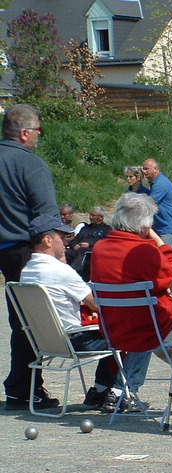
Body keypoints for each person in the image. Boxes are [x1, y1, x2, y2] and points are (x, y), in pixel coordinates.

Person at [90, 192, 172, 412]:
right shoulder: (146, 251)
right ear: (144, 227)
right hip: (153, 330)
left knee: (142, 317)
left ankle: (122, 391)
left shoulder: (99, 249)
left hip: (115, 332)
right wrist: (160, 242)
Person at [20, 214, 120, 408]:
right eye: (61, 236)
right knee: (130, 333)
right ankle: (111, 392)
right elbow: (99, 304)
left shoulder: (26, 272)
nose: (67, 240)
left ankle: (100, 392)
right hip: (73, 341)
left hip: (44, 342)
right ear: (48, 240)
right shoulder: (60, 272)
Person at [0, 104, 61, 410]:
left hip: (4, 252)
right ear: (24, 133)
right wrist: (56, 255)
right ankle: (25, 387)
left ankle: (20, 385)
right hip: (27, 250)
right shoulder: (30, 163)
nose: (39, 135)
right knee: (34, 321)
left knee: (18, 320)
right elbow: (46, 214)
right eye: (37, 130)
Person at [141, 158, 172, 248]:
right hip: (162, 227)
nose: (144, 172)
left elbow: (149, 204)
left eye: (146, 169)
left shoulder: (160, 184)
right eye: (143, 169)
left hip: (167, 229)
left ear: (155, 169)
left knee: (165, 256)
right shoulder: (156, 182)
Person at [65, 206, 112, 274]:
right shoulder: (85, 228)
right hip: (78, 250)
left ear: (100, 217)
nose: (90, 217)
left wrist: (89, 244)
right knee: (66, 252)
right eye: (90, 215)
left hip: (93, 251)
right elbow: (74, 239)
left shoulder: (106, 229)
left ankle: (74, 273)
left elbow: (106, 242)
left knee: (83, 250)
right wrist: (75, 245)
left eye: (93, 215)